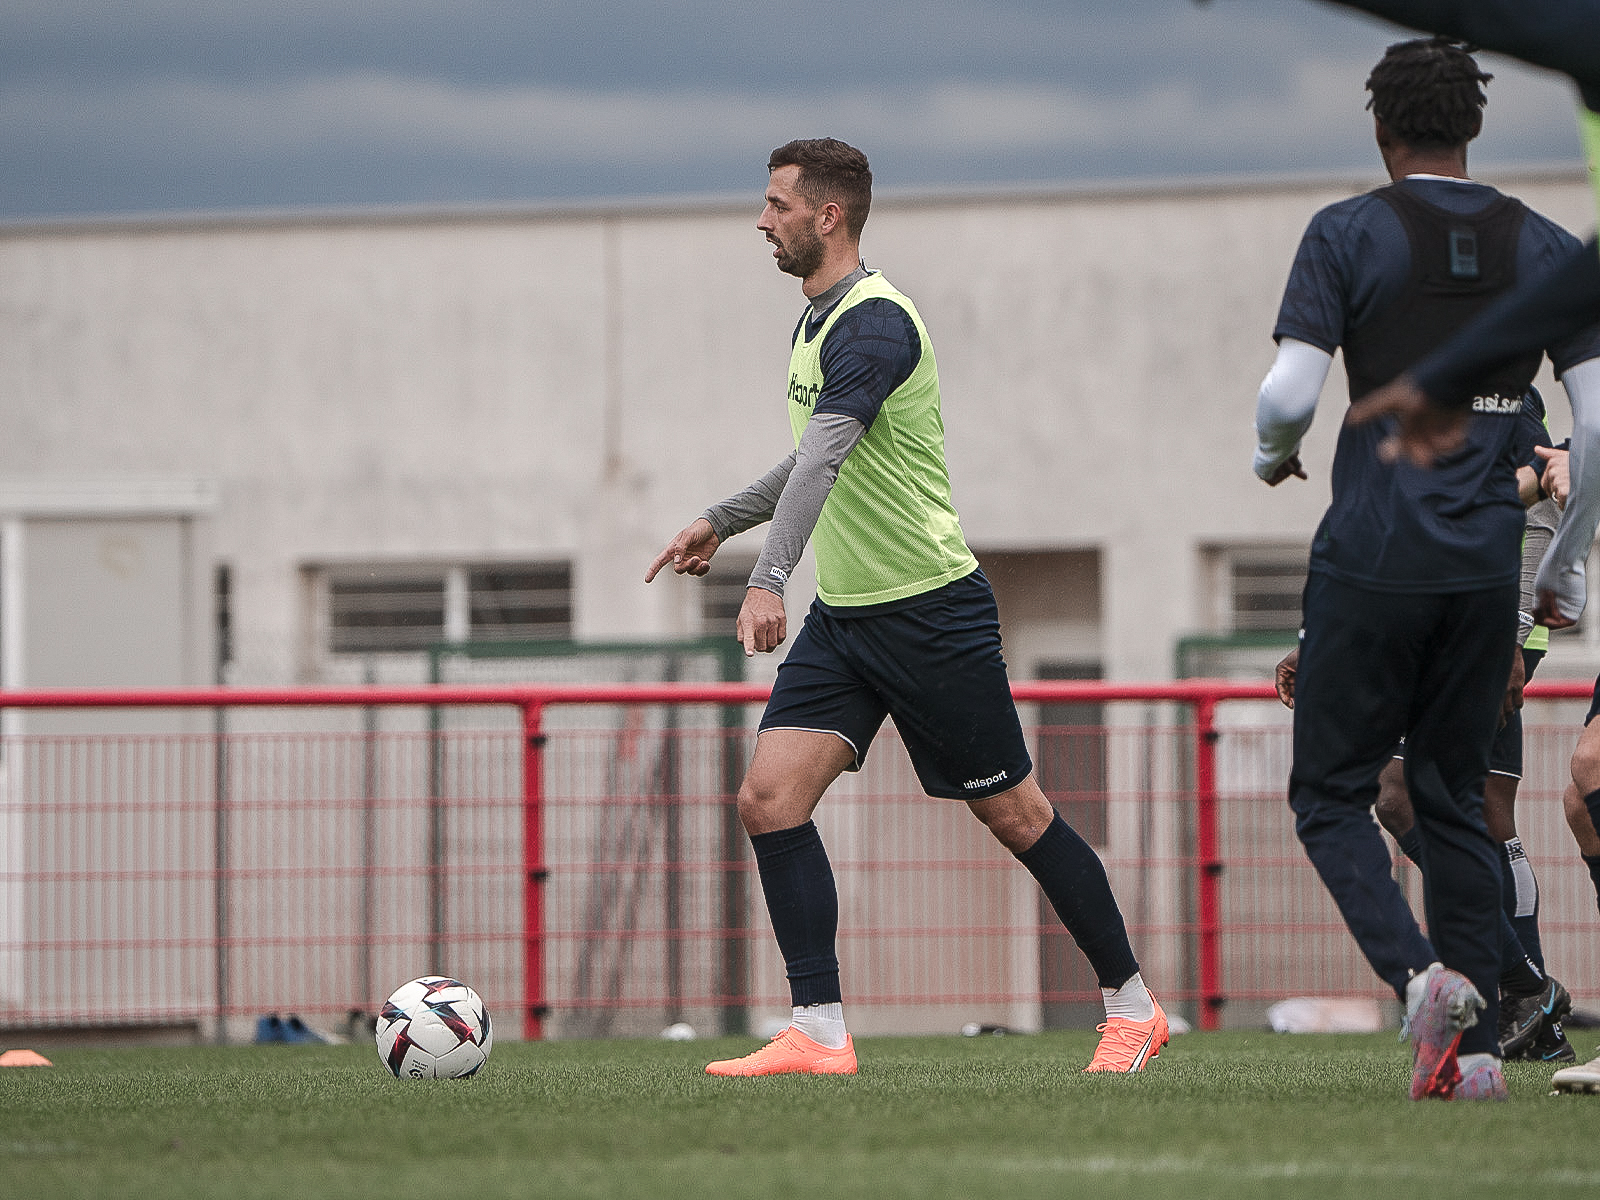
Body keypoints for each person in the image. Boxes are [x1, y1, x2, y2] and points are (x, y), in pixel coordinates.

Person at [645, 138, 1166, 1076]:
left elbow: (830, 457)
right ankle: (819, 1028)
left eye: (776, 205)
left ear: (828, 216)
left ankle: (1132, 1006)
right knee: (768, 799)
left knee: (1017, 815)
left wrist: (767, 577)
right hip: (848, 620)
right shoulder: (815, 321)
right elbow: (809, 457)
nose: (761, 221)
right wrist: (720, 520)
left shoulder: (876, 325)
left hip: (930, 613)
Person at [1253, 38, 1600, 1100]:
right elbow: (1594, 427)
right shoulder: (1547, 246)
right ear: (1475, 127)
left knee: (1327, 794)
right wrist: (1563, 574)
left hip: (1371, 556)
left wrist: (1274, 455)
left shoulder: (1347, 232)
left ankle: (1421, 982)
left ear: (1379, 129)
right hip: (1479, 576)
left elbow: (1283, 397)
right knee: (1452, 802)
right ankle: (1482, 1060)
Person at [1273, 442, 1577, 1065]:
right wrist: (1318, 639)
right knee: (1465, 810)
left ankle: (1516, 988)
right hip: (1430, 615)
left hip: (1481, 624)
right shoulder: (1416, 385)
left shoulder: (1496, 383)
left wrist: (1512, 634)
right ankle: (1525, 1004)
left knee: (1405, 794)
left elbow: (1537, 507)